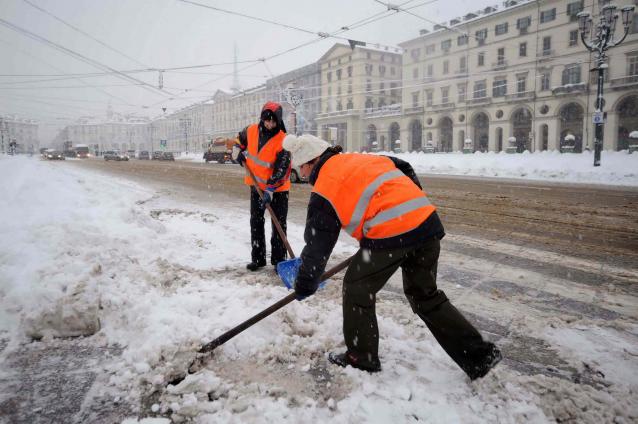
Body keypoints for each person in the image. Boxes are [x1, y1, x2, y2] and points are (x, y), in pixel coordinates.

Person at [282, 133, 501, 380]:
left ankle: (361, 357)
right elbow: (403, 166)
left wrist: (305, 284)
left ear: (312, 161)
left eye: (303, 168)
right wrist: (408, 203)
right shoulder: (361, 159)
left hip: (390, 237)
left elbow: (317, 246)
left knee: (357, 287)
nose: (304, 175)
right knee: (425, 295)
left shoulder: (325, 187)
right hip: (426, 225)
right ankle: (479, 355)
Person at [234, 102, 291, 271]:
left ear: (279, 121)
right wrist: (236, 151)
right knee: (256, 221)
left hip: (278, 190)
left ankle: (279, 261)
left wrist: (271, 189)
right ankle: (258, 259)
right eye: (267, 121)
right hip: (256, 187)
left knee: (278, 224)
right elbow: (238, 141)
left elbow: (282, 168)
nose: (270, 124)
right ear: (262, 118)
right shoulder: (250, 131)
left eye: (273, 122)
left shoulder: (283, 140)